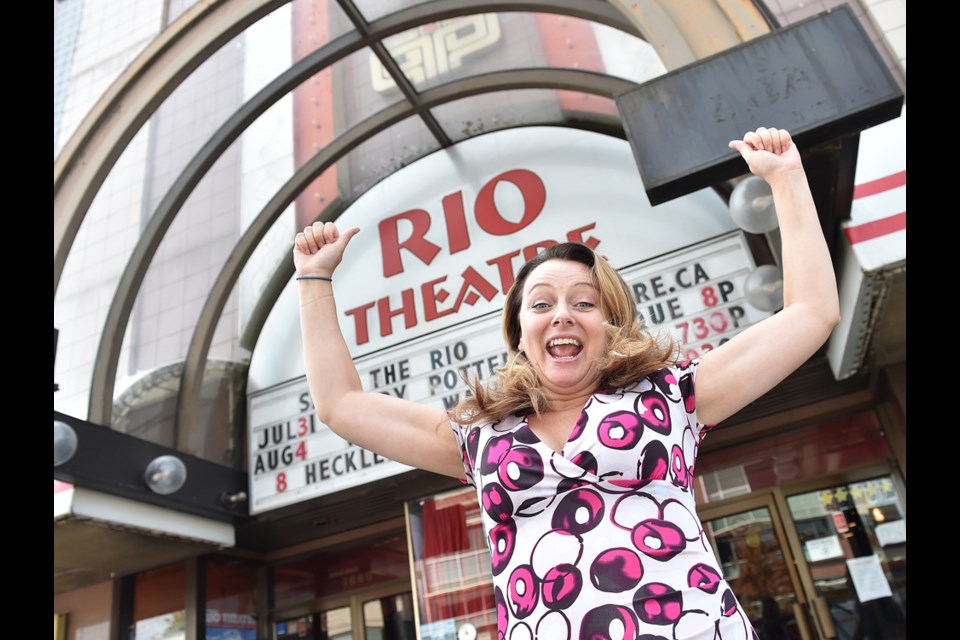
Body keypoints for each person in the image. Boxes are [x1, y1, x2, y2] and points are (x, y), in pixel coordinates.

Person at [293, 127, 840, 640]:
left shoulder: (675, 395)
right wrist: (314, 278)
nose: (562, 315)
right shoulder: (480, 436)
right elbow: (341, 405)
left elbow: (811, 314)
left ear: (611, 325)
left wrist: (787, 179)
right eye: (541, 304)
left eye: (584, 302)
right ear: (519, 332)